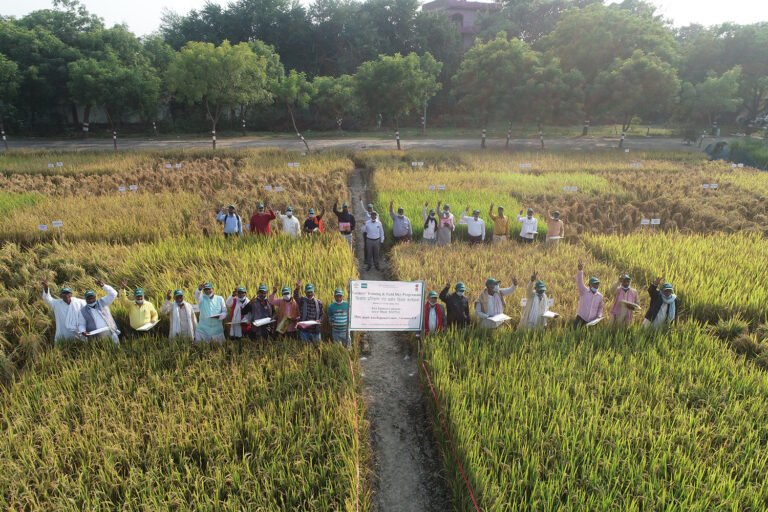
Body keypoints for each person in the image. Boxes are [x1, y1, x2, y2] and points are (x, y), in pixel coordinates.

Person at [41, 280, 86, 344]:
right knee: (62, 349)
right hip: (63, 335)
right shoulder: (56, 303)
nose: (66, 295)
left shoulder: (78, 302)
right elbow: (47, 299)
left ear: (71, 294)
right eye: (64, 293)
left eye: (68, 293)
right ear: (61, 295)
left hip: (78, 335)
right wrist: (46, 287)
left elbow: (90, 305)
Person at [77, 280, 120, 345]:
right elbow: (81, 324)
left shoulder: (102, 302)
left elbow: (114, 294)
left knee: (116, 350)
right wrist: (83, 331)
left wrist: (104, 286)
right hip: (96, 336)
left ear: (95, 297)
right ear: (85, 299)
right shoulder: (83, 311)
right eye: (89, 299)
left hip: (110, 331)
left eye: (92, 298)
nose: (91, 300)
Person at [574, 260, 604, 326]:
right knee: (574, 334)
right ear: (589, 284)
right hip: (580, 318)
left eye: (597, 284)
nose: (596, 286)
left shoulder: (600, 296)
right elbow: (579, 282)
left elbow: (600, 307)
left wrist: (599, 315)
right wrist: (580, 271)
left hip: (591, 322)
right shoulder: (584, 291)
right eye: (594, 284)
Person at [295, 281, 324, 345]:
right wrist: (297, 288)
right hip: (304, 331)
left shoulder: (319, 302)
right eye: (308, 292)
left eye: (311, 292)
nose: (310, 294)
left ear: (314, 292)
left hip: (315, 330)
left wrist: (320, 320)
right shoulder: (302, 300)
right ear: (305, 292)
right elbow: (296, 297)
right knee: (305, 347)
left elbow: (322, 315)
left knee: (317, 347)